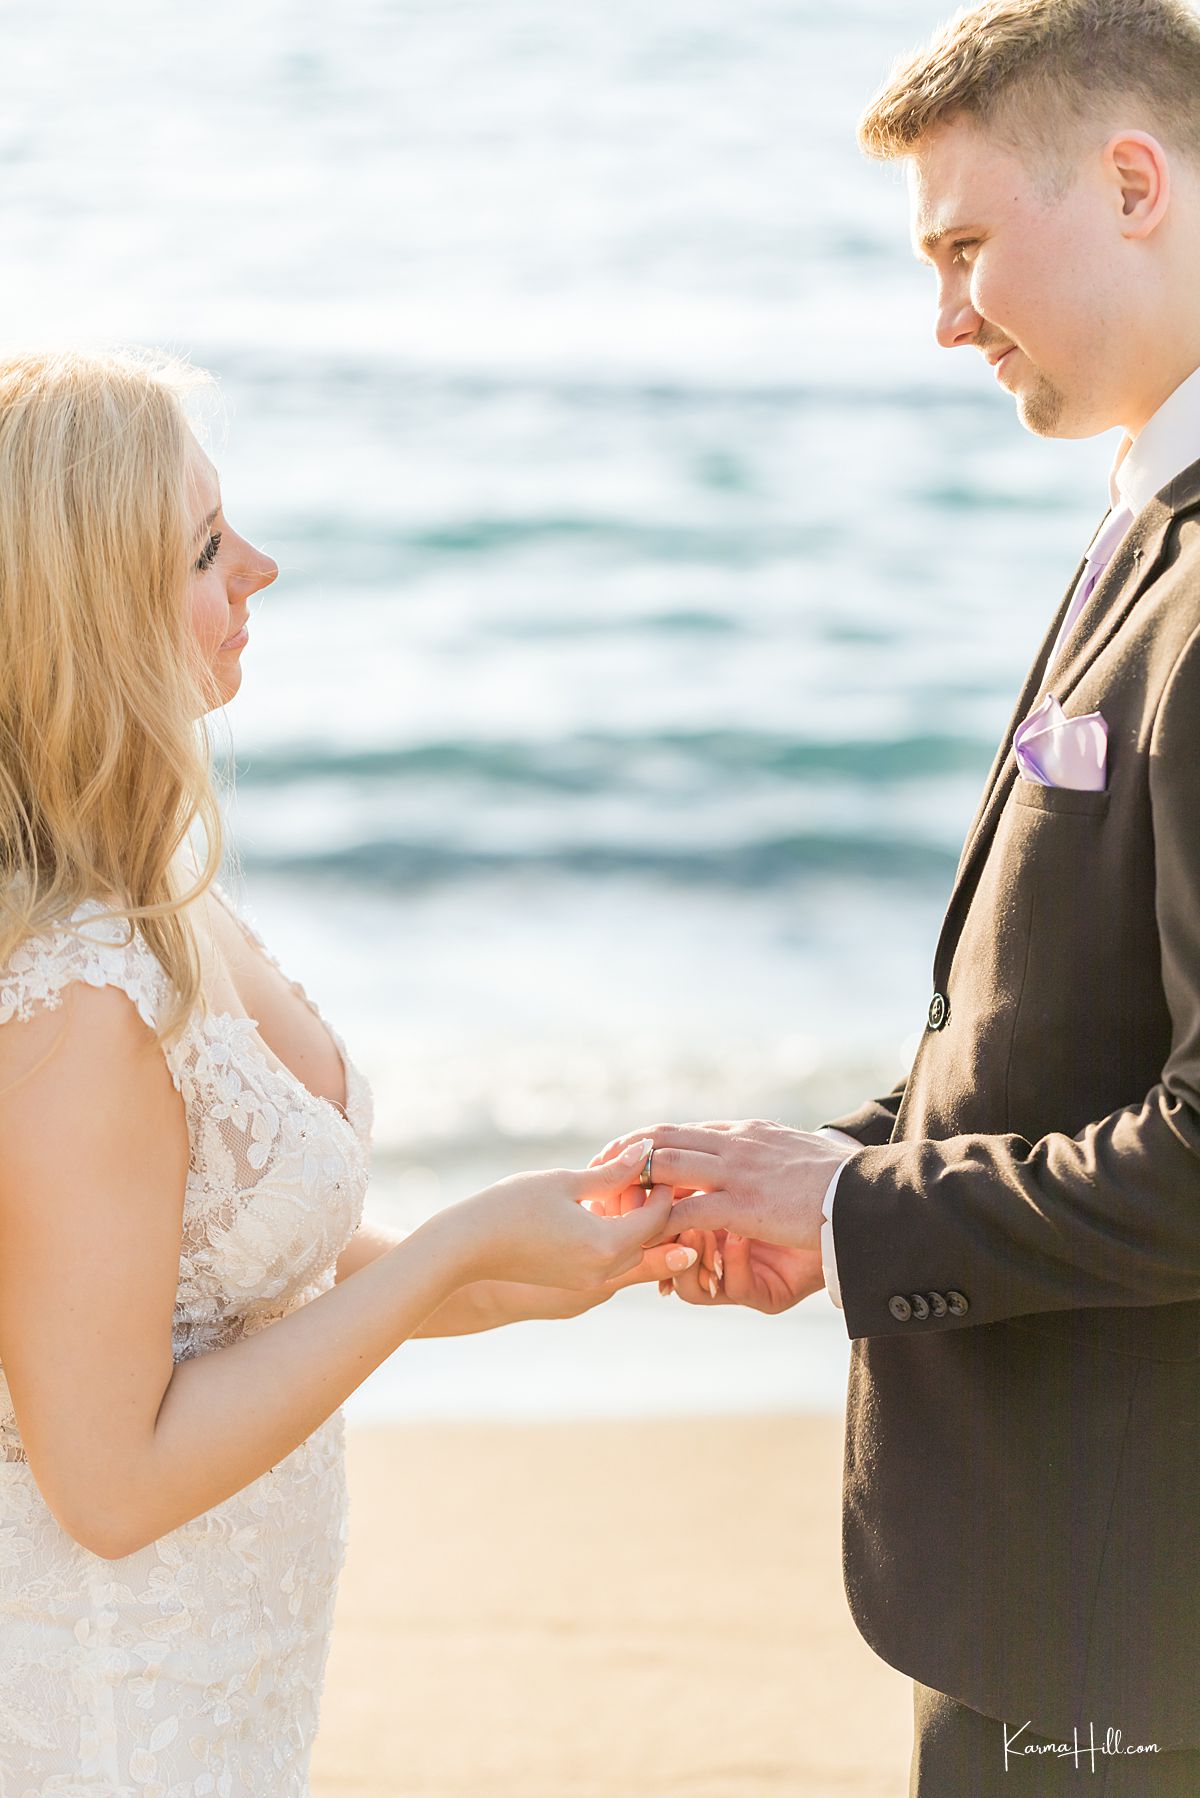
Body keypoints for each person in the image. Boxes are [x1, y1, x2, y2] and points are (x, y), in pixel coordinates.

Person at [595, 0, 1200, 1790]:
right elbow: (1075, 1031)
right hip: (1068, 1568)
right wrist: (828, 1173)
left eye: (962, 248)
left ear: (1133, 181)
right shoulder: (1147, 519)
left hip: (1132, 1599)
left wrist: (868, 1212)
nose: (944, 318)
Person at [0, 347, 698, 1794]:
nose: (259, 566)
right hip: (106, 1707)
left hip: (223, 1692)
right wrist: (459, 1242)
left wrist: (566, 1255)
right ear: (92, 617)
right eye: (203, 548)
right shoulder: (75, 999)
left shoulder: (164, 900)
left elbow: (233, 1277)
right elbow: (109, 1483)